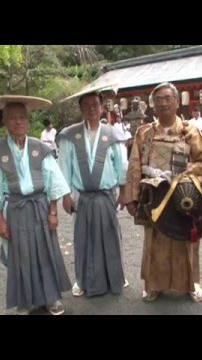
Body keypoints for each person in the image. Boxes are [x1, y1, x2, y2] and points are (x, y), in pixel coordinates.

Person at [0, 95, 72, 315]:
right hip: (14, 210)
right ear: (4, 121)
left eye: (22, 117)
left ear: (28, 120)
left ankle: (51, 298)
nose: (18, 122)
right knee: (20, 256)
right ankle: (24, 301)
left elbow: (53, 180)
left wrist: (53, 212)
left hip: (40, 208)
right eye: (12, 118)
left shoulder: (40, 148)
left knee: (47, 252)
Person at [124, 82, 202, 303]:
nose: (163, 103)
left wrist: (183, 174)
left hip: (182, 197)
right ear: (152, 106)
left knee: (185, 241)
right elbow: (134, 165)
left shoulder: (190, 132)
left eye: (167, 98)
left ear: (177, 102)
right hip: (154, 197)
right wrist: (131, 197)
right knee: (156, 242)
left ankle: (191, 284)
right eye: (158, 100)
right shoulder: (144, 133)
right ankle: (154, 285)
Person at [57, 89, 128, 298]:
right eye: (86, 105)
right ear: (81, 108)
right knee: (82, 238)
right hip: (82, 197)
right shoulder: (69, 135)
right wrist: (65, 195)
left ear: (102, 106)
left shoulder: (112, 133)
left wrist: (123, 191)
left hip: (106, 196)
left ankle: (115, 278)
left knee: (111, 236)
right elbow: (64, 166)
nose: (91, 109)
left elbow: (121, 164)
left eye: (95, 104)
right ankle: (82, 280)